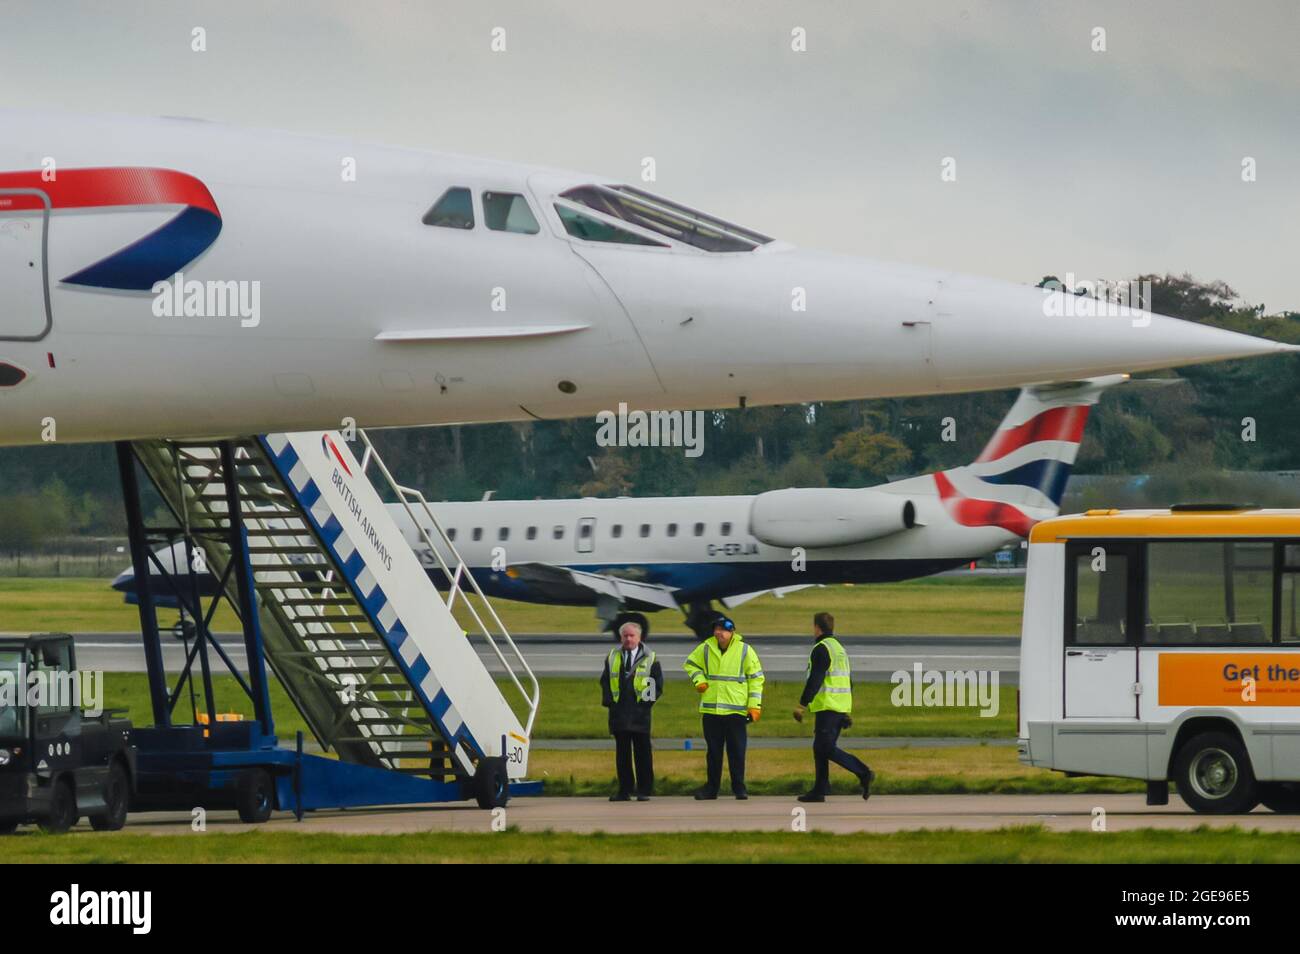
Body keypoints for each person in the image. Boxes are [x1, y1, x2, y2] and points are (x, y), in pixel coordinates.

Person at [793, 611, 874, 801]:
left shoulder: (821, 648)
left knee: (826, 748)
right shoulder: (838, 648)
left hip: (828, 707)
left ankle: (863, 772)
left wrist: (801, 704)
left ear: (816, 628)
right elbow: (848, 681)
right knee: (820, 748)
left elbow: (816, 679)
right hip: (838, 707)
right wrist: (845, 711)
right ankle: (820, 790)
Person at [683, 613, 764, 800]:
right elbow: (690, 665)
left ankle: (739, 788)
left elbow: (756, 679)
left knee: (737, 751)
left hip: (736, 710)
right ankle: (712, 788)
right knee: (713, 753)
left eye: (723, 630)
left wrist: (754, 706)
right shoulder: (705, 648)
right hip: (712, 710)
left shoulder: (745, 650)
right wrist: (699, 680)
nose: (719, 633)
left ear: (732, 632)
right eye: (716, 630)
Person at [599, 612, 664, 801]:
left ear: (640, 637)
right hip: (619, 714)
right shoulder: (612, 657)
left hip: (640, 714)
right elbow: (605, 682)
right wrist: (610, 703)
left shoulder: (651, 658)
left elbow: (656, 685)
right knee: (622, 755)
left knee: (643, 753)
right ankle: (625, 790)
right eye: (625, 636)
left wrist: (645, 705)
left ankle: (644, 790)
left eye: (632, 636)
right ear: (621, 637)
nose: (628, 639)